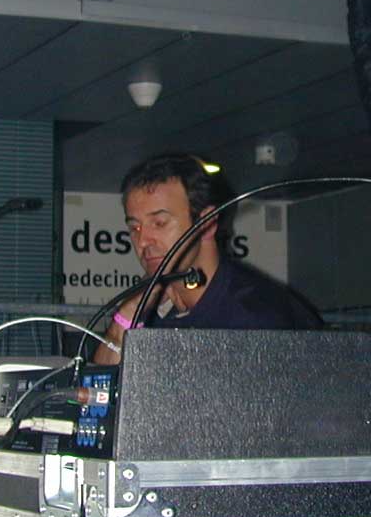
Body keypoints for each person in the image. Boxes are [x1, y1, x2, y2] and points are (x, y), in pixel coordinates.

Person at [92, 153, 320, 364]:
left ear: (207, 224)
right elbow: (95, 387)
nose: (143, 241)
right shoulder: (151, 309)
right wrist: (126, 315)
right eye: (135, 227)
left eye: (159, 223)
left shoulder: (255, 317)